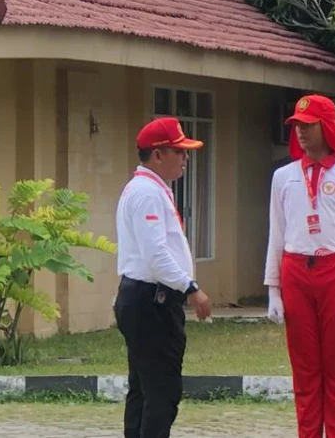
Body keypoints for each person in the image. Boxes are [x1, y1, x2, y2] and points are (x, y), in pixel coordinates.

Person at [265, 95, 335, 438]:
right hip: (296, 270)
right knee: (305, 372)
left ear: (326, 127)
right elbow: (276, 233)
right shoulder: (283, 177)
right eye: (296, 125)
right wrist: (273, 290)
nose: (300, 132)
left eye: (308, 125)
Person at [114, 117, 212, 438]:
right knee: (161, 392)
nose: (185, 158)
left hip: (143, 298)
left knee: (143, 390)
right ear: (157, 155)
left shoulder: (151, 189)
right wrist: (191, 288)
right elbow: (156, 256)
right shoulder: (147, 194)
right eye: (179, 152)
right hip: (151, 301)